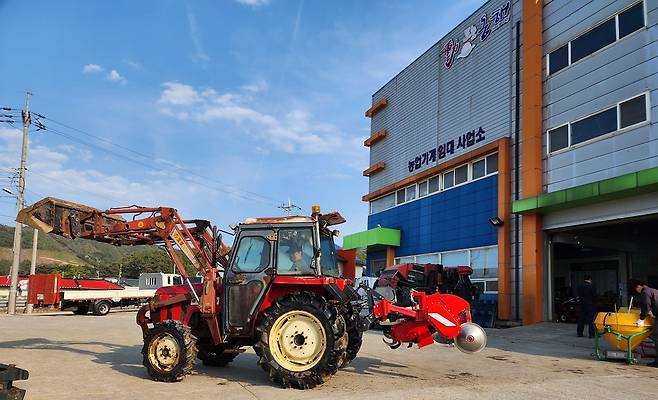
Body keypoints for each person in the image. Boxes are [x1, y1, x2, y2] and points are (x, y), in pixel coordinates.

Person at [628, 279, 658, 367]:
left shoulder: (645, 292)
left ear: (637, 286)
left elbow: (646, 308)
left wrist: (641, 319)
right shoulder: (654, 290)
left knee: (657, 338)